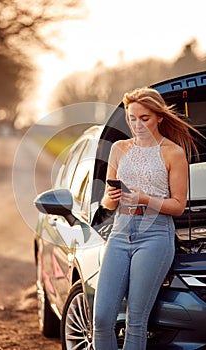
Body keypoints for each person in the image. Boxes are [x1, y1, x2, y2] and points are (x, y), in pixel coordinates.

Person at [93, 87, 200, 350]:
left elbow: (178, 206)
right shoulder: (119, 148)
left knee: (136, 321)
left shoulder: (173, 153)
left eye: (145, 118)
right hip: (120, 233)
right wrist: (110, 196)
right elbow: (108, 204)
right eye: (132, 118)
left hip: (155, 236)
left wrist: (144, 199)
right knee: (102, 318)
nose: (137, 125)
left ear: (159, 117)